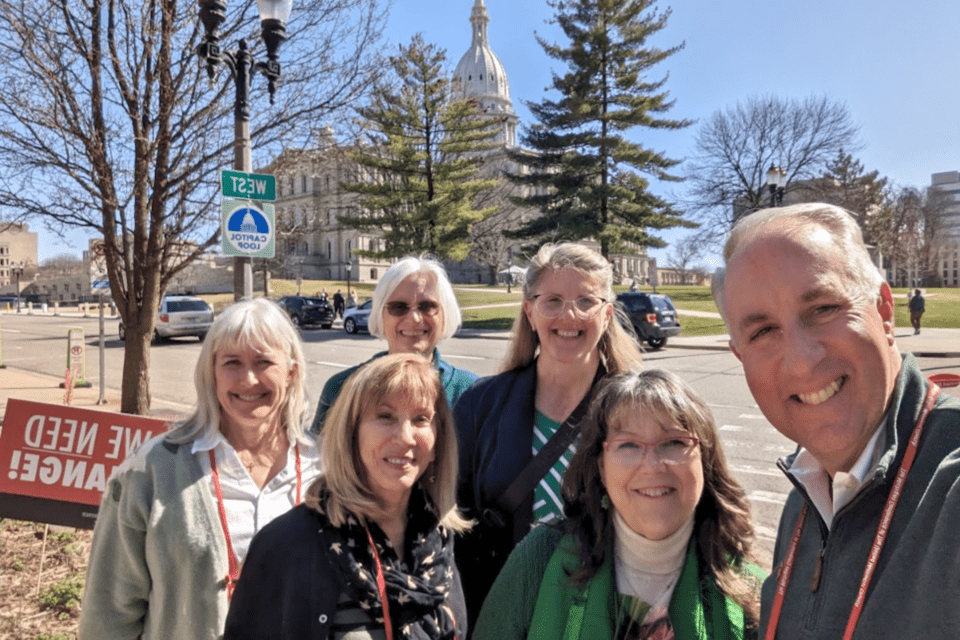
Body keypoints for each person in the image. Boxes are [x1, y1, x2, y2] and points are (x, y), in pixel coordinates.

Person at [712, 203, 960, 639]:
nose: (802, 361)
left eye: (823, 308)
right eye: (762, 332)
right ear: (740, 357)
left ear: (884, 311)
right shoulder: (805, 496)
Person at [79, 297, 320, 640]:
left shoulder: (326, 468)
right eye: (232, 362)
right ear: (212, 372)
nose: (248, 379)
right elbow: (107, 613)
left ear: (291, 371)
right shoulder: (151, 470)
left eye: (264, 361)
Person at [474, 369, 764, 640]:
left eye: (674, 442)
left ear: (706, 459)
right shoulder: (539, 559)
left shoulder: (755, 590)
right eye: (628, 445)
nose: (652, 466)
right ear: (601, 467)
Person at [454, 242, 644, 625]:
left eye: (586, 301)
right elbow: (451, 515)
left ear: (607, 314)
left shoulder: (638, 411)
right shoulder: (481, 403)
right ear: (530, 311)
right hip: (501, 613)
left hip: (605, 617)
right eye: (552, 300)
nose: (569, 315)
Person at [223, 353, 471, 639]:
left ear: (439, 442)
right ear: (351, 433)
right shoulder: (286, 544)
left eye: (421, 419)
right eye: (385, 417)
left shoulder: (438, 542)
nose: (405, 436)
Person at [310, 255, 477, 432]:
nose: (414, 318)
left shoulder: (474, 394)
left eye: (427, 306)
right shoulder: (340, 389)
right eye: (399, 307)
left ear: (445, 315)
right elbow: (319, 458)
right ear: (381, 316)